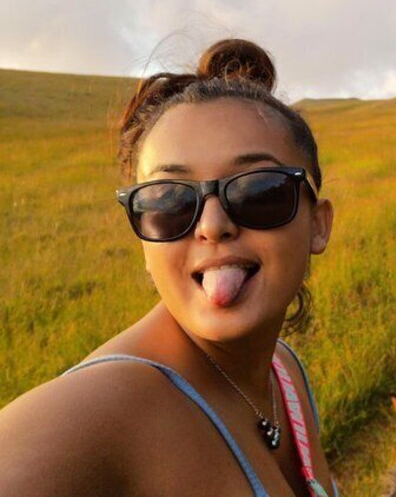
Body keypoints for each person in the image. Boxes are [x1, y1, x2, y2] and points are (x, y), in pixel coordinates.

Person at [0, 39, 338, 496]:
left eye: (259, 191)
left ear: (318, 225)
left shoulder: (284, 372)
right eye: (170, 202)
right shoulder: (111, 404)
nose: (213, 225)